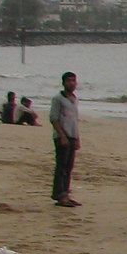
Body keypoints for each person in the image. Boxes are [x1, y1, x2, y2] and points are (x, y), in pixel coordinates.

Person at [48, 72, 80, 206]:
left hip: (72, 136)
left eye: (74, 81)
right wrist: (62, 135)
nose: (72, 83)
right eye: (69, 81)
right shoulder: (58, 99)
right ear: (63, 83)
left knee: (69, 167)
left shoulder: (74, 99)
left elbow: (75, 120)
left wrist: (77, 138)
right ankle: (59, 194)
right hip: (62, 136)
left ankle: (66, 193)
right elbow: (53, 118)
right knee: (61, 166)